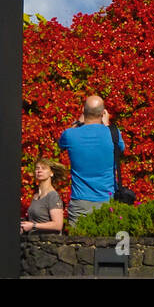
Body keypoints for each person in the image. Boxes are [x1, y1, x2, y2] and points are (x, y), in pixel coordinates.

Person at [58, 93, 126, 224]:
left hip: (80, 202)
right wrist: (106, 125)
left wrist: (78, 123)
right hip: (107, 201)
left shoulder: (70, 134)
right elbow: (120, 149)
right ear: (103, 113)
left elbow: (61, 144)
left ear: (83, 111)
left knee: (77, 243)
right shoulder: (113, 134)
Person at [20, 158, 65, 234]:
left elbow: (58, 225)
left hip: (47, 242)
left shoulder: (53, 196)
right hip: (33, 241)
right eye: (37, 168)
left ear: (51, 173)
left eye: (43, 168)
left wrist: (33, 225)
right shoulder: (36, 195)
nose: (39, 170)